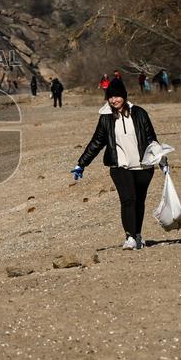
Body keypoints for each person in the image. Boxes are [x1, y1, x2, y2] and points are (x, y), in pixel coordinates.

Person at [72, 77, 163, 250]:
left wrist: (161, 159)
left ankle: (137, 235)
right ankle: (130, 237)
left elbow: (151, 138)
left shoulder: (139, 113)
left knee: (139, 201)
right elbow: (96, 142)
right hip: (120, 166)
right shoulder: (106, 118)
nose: (114, 100)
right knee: (128, 200)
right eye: (110, 97)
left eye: (117, 96)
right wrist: (81, 164)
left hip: (143, 166)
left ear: (124, 96)